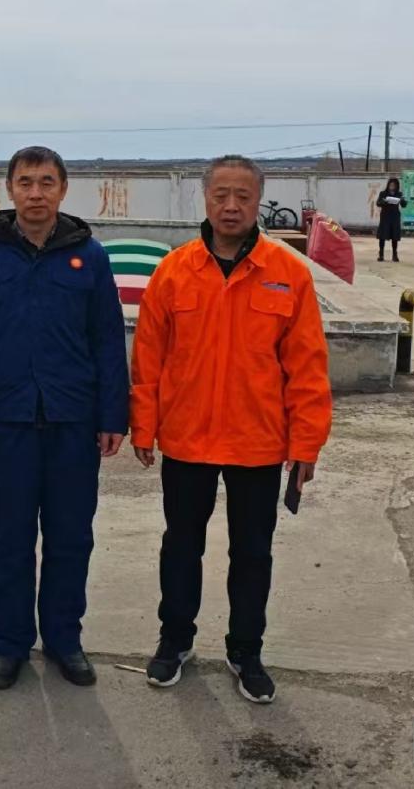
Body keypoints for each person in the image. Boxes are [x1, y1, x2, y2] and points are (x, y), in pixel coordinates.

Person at [129, 155, 332, 704]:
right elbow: (149, 357)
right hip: (188, 438)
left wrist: (306, 443)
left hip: (258, 442)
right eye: (221, 195)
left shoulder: (287, 273)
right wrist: (143, 426)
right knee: (180, 547)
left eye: (243, 196)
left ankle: (246, 651)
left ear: (258, 201)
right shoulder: (175, 271)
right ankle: (175, 640)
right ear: (206, 199)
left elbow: (308, 367)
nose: (231, 206)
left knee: (252, 554)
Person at [0, 145, 129, 690]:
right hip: (5, 422)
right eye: (25, 182)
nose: (35, 193)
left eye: (47, 182)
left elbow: (107, 341)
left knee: (71, 537)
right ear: (10, 189)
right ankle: (10, 645)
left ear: (63, 190)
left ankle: (65, 640)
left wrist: (113, 415)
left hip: (73, 422)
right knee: (8, 539)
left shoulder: (89, 258)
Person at [376, 177, 405, 262]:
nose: (392, 187)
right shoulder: (383, 193)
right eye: (391, 185)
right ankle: (381, 254)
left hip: (395, 216)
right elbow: (378, 203)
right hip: (385, 216)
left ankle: (395, 255)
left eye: (394, 185)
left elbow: (404, 205)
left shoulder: (399, 194)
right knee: (382, 235)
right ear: (388, 185)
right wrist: (384, 201)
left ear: (397, 186)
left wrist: (402, 201)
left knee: (394, 236)